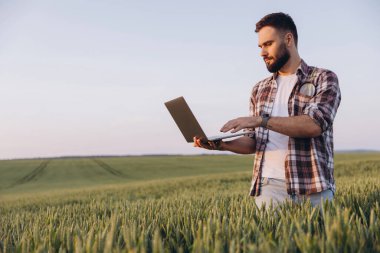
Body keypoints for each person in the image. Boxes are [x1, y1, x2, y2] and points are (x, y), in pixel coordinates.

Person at [193, 12, 341, 208]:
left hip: (314, 187)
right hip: (268, 187)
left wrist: (260, 120)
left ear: (288, 39)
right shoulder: (259, 89)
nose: (262, 52)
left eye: (268, 44)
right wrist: (221, 145)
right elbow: (253, 142)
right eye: (260, 46)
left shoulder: (323, 78)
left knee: (319, 239)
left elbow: (314, 124)